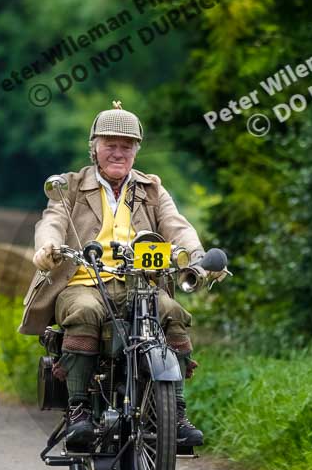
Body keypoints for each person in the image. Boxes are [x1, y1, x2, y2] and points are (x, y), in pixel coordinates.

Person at [19, 101, 209, 449]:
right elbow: (53, 220)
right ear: (94, 148)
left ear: (136, 151)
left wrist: (196, 257)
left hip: (141, 283)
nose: (118, 153)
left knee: (173, 312)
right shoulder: (71, 186)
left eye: (126, 146)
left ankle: (175, 413)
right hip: (83, 281)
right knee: (85, 312)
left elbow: (177, 226)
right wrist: (47, 247)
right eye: (110, 145)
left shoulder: (151, 189)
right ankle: (78, 410)